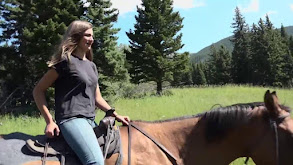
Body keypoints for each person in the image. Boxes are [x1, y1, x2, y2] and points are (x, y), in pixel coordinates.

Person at [33, 20, 130, 165]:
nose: (91, 39)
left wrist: (115, 114)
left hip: (90, 120)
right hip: (71, 119)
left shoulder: (91, 66)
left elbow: (97, 98)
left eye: (92, 36)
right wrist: (49, 121)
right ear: (76, 36)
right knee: (95, 162)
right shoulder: (65, 62)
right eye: (87, 35)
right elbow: (38, 90)